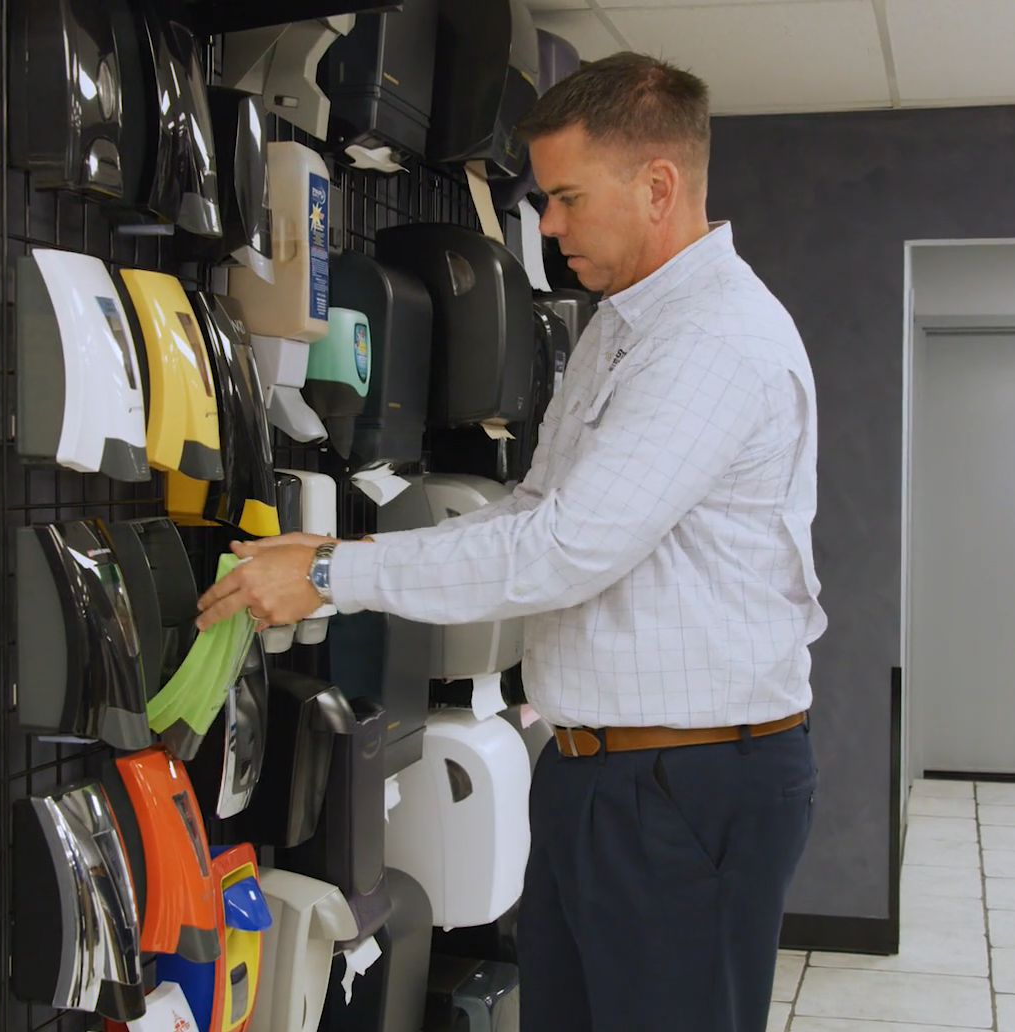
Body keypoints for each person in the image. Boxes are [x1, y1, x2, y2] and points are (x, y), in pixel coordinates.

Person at [196, 52, 823, 1032]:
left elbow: (563, 548)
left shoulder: (713, 341)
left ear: (657, 185)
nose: (551, 224)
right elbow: (534, 508)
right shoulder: (622, 329)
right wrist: (339, 551)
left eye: (567, 197)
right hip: (595, 772)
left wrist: (330, 573)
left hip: (680, 786)